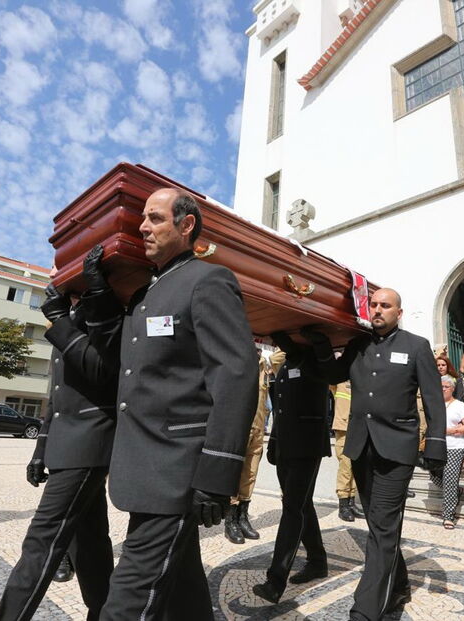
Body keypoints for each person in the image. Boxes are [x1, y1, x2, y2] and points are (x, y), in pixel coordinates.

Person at [82, 188, 259, 620]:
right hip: (144, 465)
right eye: (142, 219)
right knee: (183, 592)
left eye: (155, 218)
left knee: (126, 601)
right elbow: (118, 360)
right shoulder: (144, 294)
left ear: (186, 225)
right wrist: (98, 294)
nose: (143, 227)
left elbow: (235, 376)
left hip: (176, 468)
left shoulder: (207, 281)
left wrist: (217, 471)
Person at [303, 287, 447, 621]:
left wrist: (435, 445)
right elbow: (333, 375)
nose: (378, 309)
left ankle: (366, 609)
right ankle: (399, 586)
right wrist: (320, 345)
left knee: (382, 526)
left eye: (386, 305)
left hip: (396, 450)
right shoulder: (358, 344)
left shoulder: (416, 346)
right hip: (361, 446)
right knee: (379, 523)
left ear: (399, 312)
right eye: (374, 304)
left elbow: (433, 398)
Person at [0, 282, 118, 621]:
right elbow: (57, 396)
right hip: (68, 444)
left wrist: (61, 320)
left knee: (41, 542)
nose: (51, 276)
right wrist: (41, 449)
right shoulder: (68, 317)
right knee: (89, 542)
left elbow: (102, 371)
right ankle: (103, 612)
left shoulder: (103, 310)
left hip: (90, 441)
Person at [252, 332, 331, 603]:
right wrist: (274, 442)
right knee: (302, 504)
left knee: (292, 509)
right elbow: (282, 408)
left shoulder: (315, 359)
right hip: (286, 446)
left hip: (307, 447)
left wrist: (280, 330)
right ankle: (318, 561)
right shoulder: (287, 363)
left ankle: (275, 581)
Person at [225, 351, 279, 544]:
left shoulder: (263, 364)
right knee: (235, 473)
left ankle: (243, 516)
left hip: (258, 428)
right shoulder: (238, 360)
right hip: (240, 427)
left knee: (250, 474)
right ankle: (230, 520)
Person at [429, 375, 464, 529]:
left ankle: (448, 516)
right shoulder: (434, 404)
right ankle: (456, 490)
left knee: (450, 480)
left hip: (455, 447)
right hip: (436, 446)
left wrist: (452, 430)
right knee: (434, 476)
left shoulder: (459, 405)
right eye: (440, 387)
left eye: (446, 387)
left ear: (452, 389)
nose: (443, 389)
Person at [331, 380, 364, 521]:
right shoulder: (338, 380)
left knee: (354, 466)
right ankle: (343, 505)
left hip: (358, 426)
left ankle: (351, 502)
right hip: (343, 427)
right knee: (345, 466)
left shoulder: (360, 378)